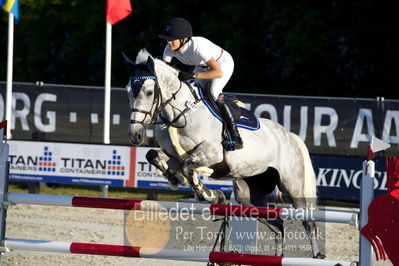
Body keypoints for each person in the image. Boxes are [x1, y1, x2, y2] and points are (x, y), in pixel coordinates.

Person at [158, 17, 243, 150]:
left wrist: (192, 75)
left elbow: (218, 73)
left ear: (183, 39)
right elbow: (163, 73)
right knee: (192, 90)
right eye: (167, 39)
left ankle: (235, 135)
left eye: (171, 39)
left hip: (222, 64)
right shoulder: (169, 50)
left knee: (214, 91)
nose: (168, 42)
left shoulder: (198, 46)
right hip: (201, 66)